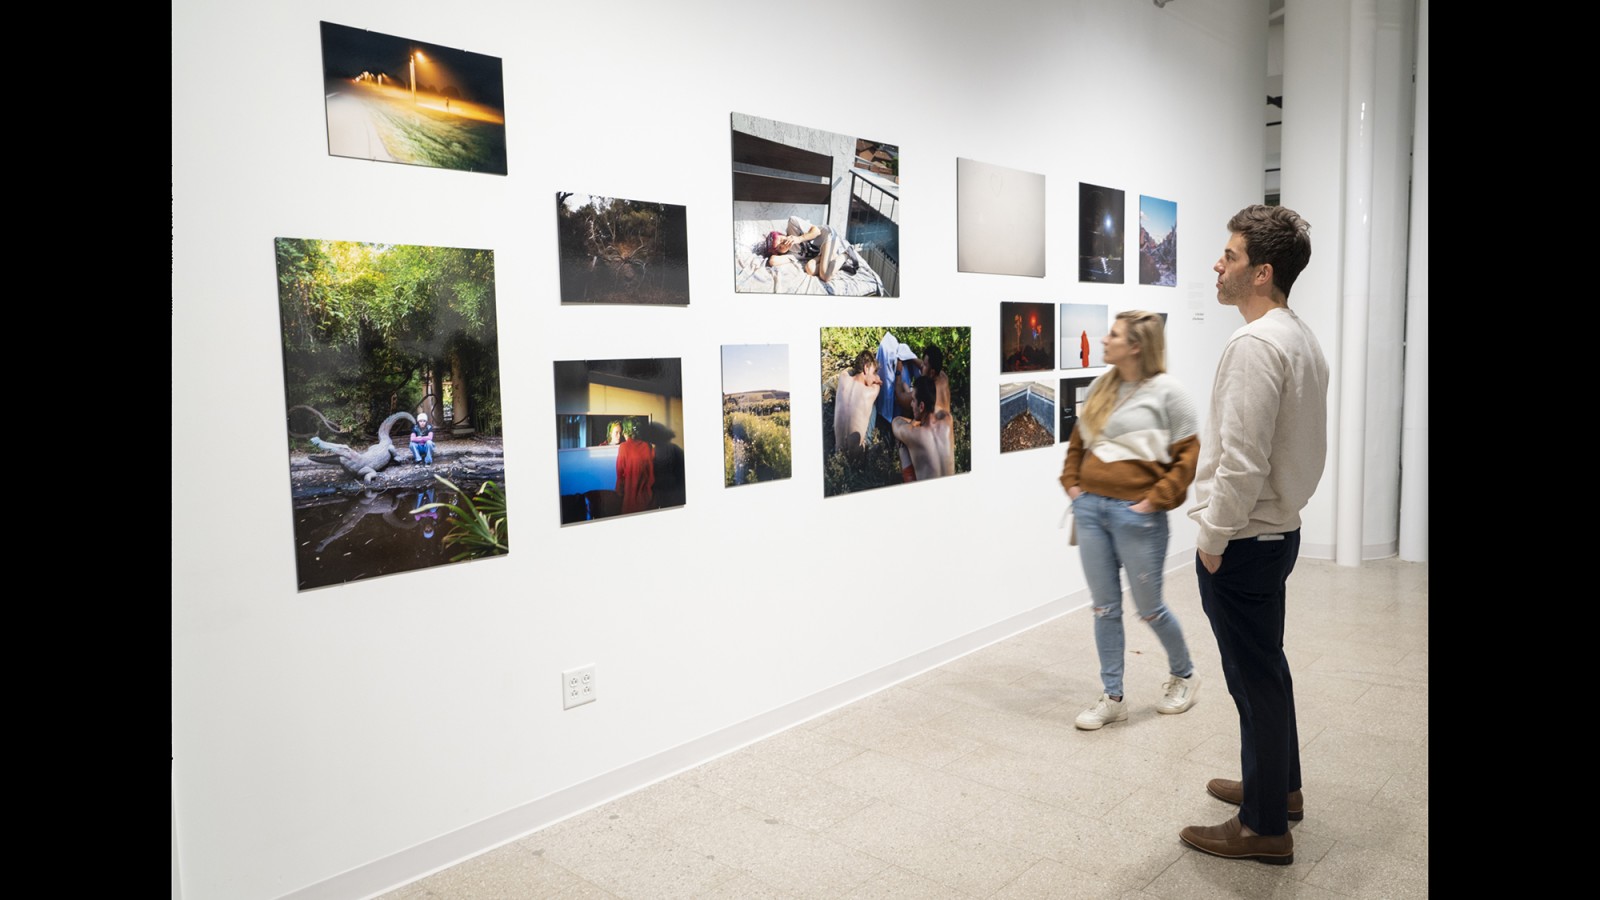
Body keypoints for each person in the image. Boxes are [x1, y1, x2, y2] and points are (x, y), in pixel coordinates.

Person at [1179, 205, 1328, 866]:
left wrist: (1212, 539)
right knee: (1269, 669)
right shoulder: (1299, 337)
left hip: (1243, 541)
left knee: (1253, 679)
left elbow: (1241, 462)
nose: (1218, 263)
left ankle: (1265, 825)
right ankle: (1280, 787)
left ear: (1262, 273)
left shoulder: (1254, 345)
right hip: (1276, 534)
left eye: (1231, 256)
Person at [1059, 310, 1202, 731]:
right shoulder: (1103, 386)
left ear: (1136, 346)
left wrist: (1154, 500)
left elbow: (1187, 457)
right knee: (1104, 609)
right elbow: (1078, 442)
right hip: (1090, 512)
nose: (1104, 340)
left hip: (1137, 517)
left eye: (1114, 335)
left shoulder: (1169, 393)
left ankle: (1185, 676)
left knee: (1150, 609)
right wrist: (1073, 485)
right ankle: (1113, 698)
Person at [890, 375, 953, 480]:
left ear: (922, 406)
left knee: (901, 442)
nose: (911, 404)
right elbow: (935, 408)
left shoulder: (913, 434)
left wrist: (913, 422)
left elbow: (895, 422)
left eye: (913, 400)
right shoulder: (948, 420)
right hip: (952, 491)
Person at [766, 215, 848, 283]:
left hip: (827, 236)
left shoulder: (792, 224)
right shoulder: (791, 255)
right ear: (779, 252)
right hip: (821, 252)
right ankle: (838, 255)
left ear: (781, 234)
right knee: (810, 269)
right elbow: (772, 261)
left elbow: (817, 231)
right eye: (780, 247)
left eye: (781, 239)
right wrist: (779, 250)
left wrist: (799, 239)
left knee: (824, 275)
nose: (783, 243)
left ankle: (847, 254)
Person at [833, 350, 882, 455]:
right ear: (866, 368)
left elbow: (849, 372)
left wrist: (863, 372)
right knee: (872, 408)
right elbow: (879, 381)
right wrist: (876, 379)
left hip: (838, 454)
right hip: (857, 458)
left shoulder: (843, 378)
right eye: (874, 372)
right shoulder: (872, 391)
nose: (874, 376)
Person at [614, 419, 655, 515]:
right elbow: (652, 474)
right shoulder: (647, 446)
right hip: (648, 500)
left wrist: (618, 494)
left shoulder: (624, 447)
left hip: (630, 501)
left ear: (626, 431)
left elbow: (620, 475)